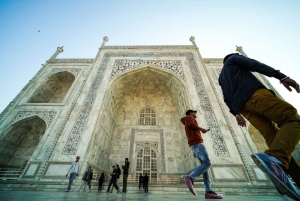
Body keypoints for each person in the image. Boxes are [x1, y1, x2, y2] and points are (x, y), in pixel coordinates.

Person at [219, 53, 300, 200]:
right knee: (292, 120)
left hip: (244, 109)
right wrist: (281, 76)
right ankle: (275, 159)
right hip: (256, 96)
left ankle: (287, 178)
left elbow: (225, 97)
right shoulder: (234, 59)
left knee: (274, 139)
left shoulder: (221, 77)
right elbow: (254, 65)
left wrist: (236, 114)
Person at [181, 110, 223, 199]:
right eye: (194, 112)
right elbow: (191, 125)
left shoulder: (187, 119)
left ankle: (208, 191)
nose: (195, 114)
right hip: (197, 143)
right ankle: (190, 177)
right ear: (191, 113)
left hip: (194, 145)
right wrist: (202, 129)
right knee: (207, 163)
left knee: (205, 169)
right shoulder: (190, 118)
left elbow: (189, 125)